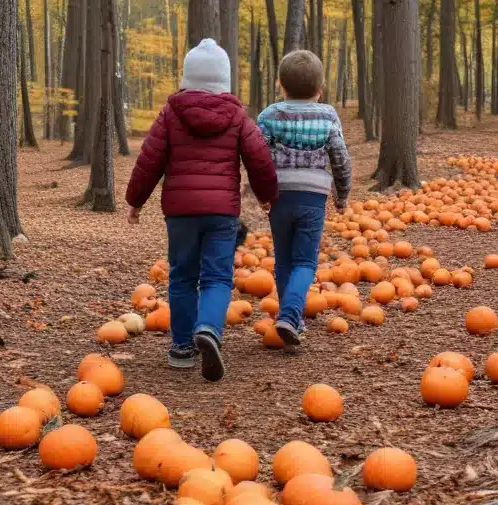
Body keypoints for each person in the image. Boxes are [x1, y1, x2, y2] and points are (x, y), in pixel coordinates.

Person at [125, 38, 278, 381]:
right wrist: (267, 195)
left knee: (181, 275)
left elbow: (149, 161)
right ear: (223, 80)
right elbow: (260, 159)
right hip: (222, 212)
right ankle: (208, 329)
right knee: (217, 276)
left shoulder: (170, 114)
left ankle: (181, 348)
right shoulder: (237, 115)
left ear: (186, 77)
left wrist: (136, 200)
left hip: (180, 212)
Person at [257, 50, 351, 346]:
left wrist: (262, 192)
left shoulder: (270, 115)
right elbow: (340, 157)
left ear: (280, 85)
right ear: (319, 89)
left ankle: (289, 318)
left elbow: (258, 156)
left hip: (279, 196)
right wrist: (342, 194)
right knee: (305, 262)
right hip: (312, 198)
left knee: (284, 260)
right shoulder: (328, 116)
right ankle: (290, 315)